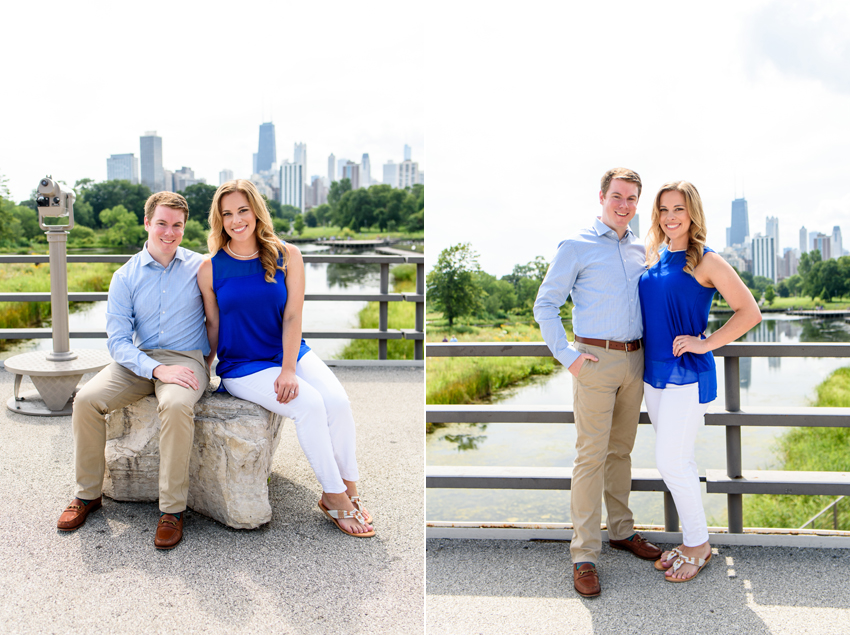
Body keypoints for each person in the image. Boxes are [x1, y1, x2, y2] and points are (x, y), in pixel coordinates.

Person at [198, 179, 374, 537]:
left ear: (256, 211)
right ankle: (333, 497)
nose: (236, 220)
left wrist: (289, 369)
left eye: (243, 210)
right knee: (308, 404)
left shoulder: (287, 255)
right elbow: (212, 325)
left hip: (289, 352)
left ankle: (349, 486)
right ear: (219, 220)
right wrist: (204, 370)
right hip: (242, 366)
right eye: (227, 213)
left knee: (337, 402)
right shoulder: (209, 268)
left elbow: (293, 316)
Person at [533, 167, 662, 598]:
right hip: (594, 360)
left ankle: (623, 531)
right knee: (590, 457)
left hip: (635, 360)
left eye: (632, 199)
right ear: (602, 196)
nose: (624, 206)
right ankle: (584, 554)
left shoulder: (644, 249)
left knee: (621, 452)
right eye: (618, 197)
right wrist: (567, 357)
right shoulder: (576, 245)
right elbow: (545, 305)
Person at [57, 192, 210, 550]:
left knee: (175, 405)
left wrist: (209, 363)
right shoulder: (124, 276)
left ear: (185, 228)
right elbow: (118, 342)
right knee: (86, 399)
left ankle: (172, 510)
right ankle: (88, 495)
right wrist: (157, 369)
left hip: (187, 359)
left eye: (177, 226)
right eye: (162, 223)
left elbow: (220, 315)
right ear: (147, 223)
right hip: (138, 360)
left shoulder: (200, 267)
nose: (169, 232)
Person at [639, 181, 760, 581]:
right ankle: (695, 539)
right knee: (681, 461)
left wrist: (705, 342)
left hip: (687, 376)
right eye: (663, 210)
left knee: (669, 460)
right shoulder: (655, 257)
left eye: (678, 208)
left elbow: (749, 312)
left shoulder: (705, 260)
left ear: (692, 212)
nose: (670, 217)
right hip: (653, 377)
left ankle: (699, 546)